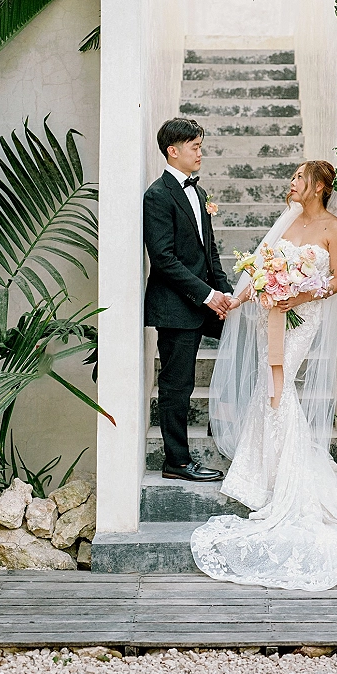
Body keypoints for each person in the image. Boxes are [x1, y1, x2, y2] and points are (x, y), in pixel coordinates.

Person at [191, 161, 337, 590]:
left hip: (301, 317)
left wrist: (299, 294)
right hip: (268, 316)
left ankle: (284, 479)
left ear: (320, 186)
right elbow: (261, 267)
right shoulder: (287, 219)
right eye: (292, 179)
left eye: (298, 179)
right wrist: (242, 298)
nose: (291, 185)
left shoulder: (333, 226)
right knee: (270, 386)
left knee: (280, 383)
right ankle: (264, 473)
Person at [143, 118, 236, 483]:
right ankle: (177, 462)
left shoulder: (197, 193)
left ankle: (224, 424)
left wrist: (224, 291)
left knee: (247, 337)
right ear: (173, 150)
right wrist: (207, 295)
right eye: (195, 147)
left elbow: (208, 250)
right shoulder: (157, 195)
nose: (200, 153)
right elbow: (163, 259)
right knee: (177, 385)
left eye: (200, 146)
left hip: (205, 300)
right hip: (176, 306)